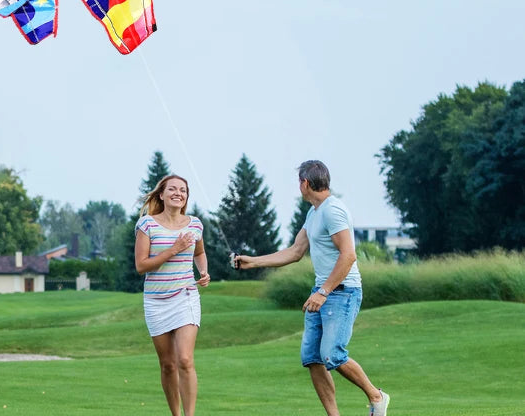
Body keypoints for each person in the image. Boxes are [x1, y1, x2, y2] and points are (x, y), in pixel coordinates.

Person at [233, 160, 391, 416]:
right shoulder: (314, 213)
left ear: (305, 183)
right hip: (322, 290)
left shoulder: (333, 210)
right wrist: (253, 262)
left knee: (332, 355)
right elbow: (296, 251)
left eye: (299, 182)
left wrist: (323, 292)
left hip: (342, 292)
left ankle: (376, 396)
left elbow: (349, 255)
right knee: (312, 358)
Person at [134, 174, 211, 416]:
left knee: (185, 360)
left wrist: (203, 271)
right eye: (173, 189)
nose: (178, 193)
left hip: (185, 296)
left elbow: (199, 252)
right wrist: (174, 249)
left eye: (183, 190)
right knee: (168, 365)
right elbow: (141, 266)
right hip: (156, 302)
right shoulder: (147, 225)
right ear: (161, 194)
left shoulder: (195, 224)